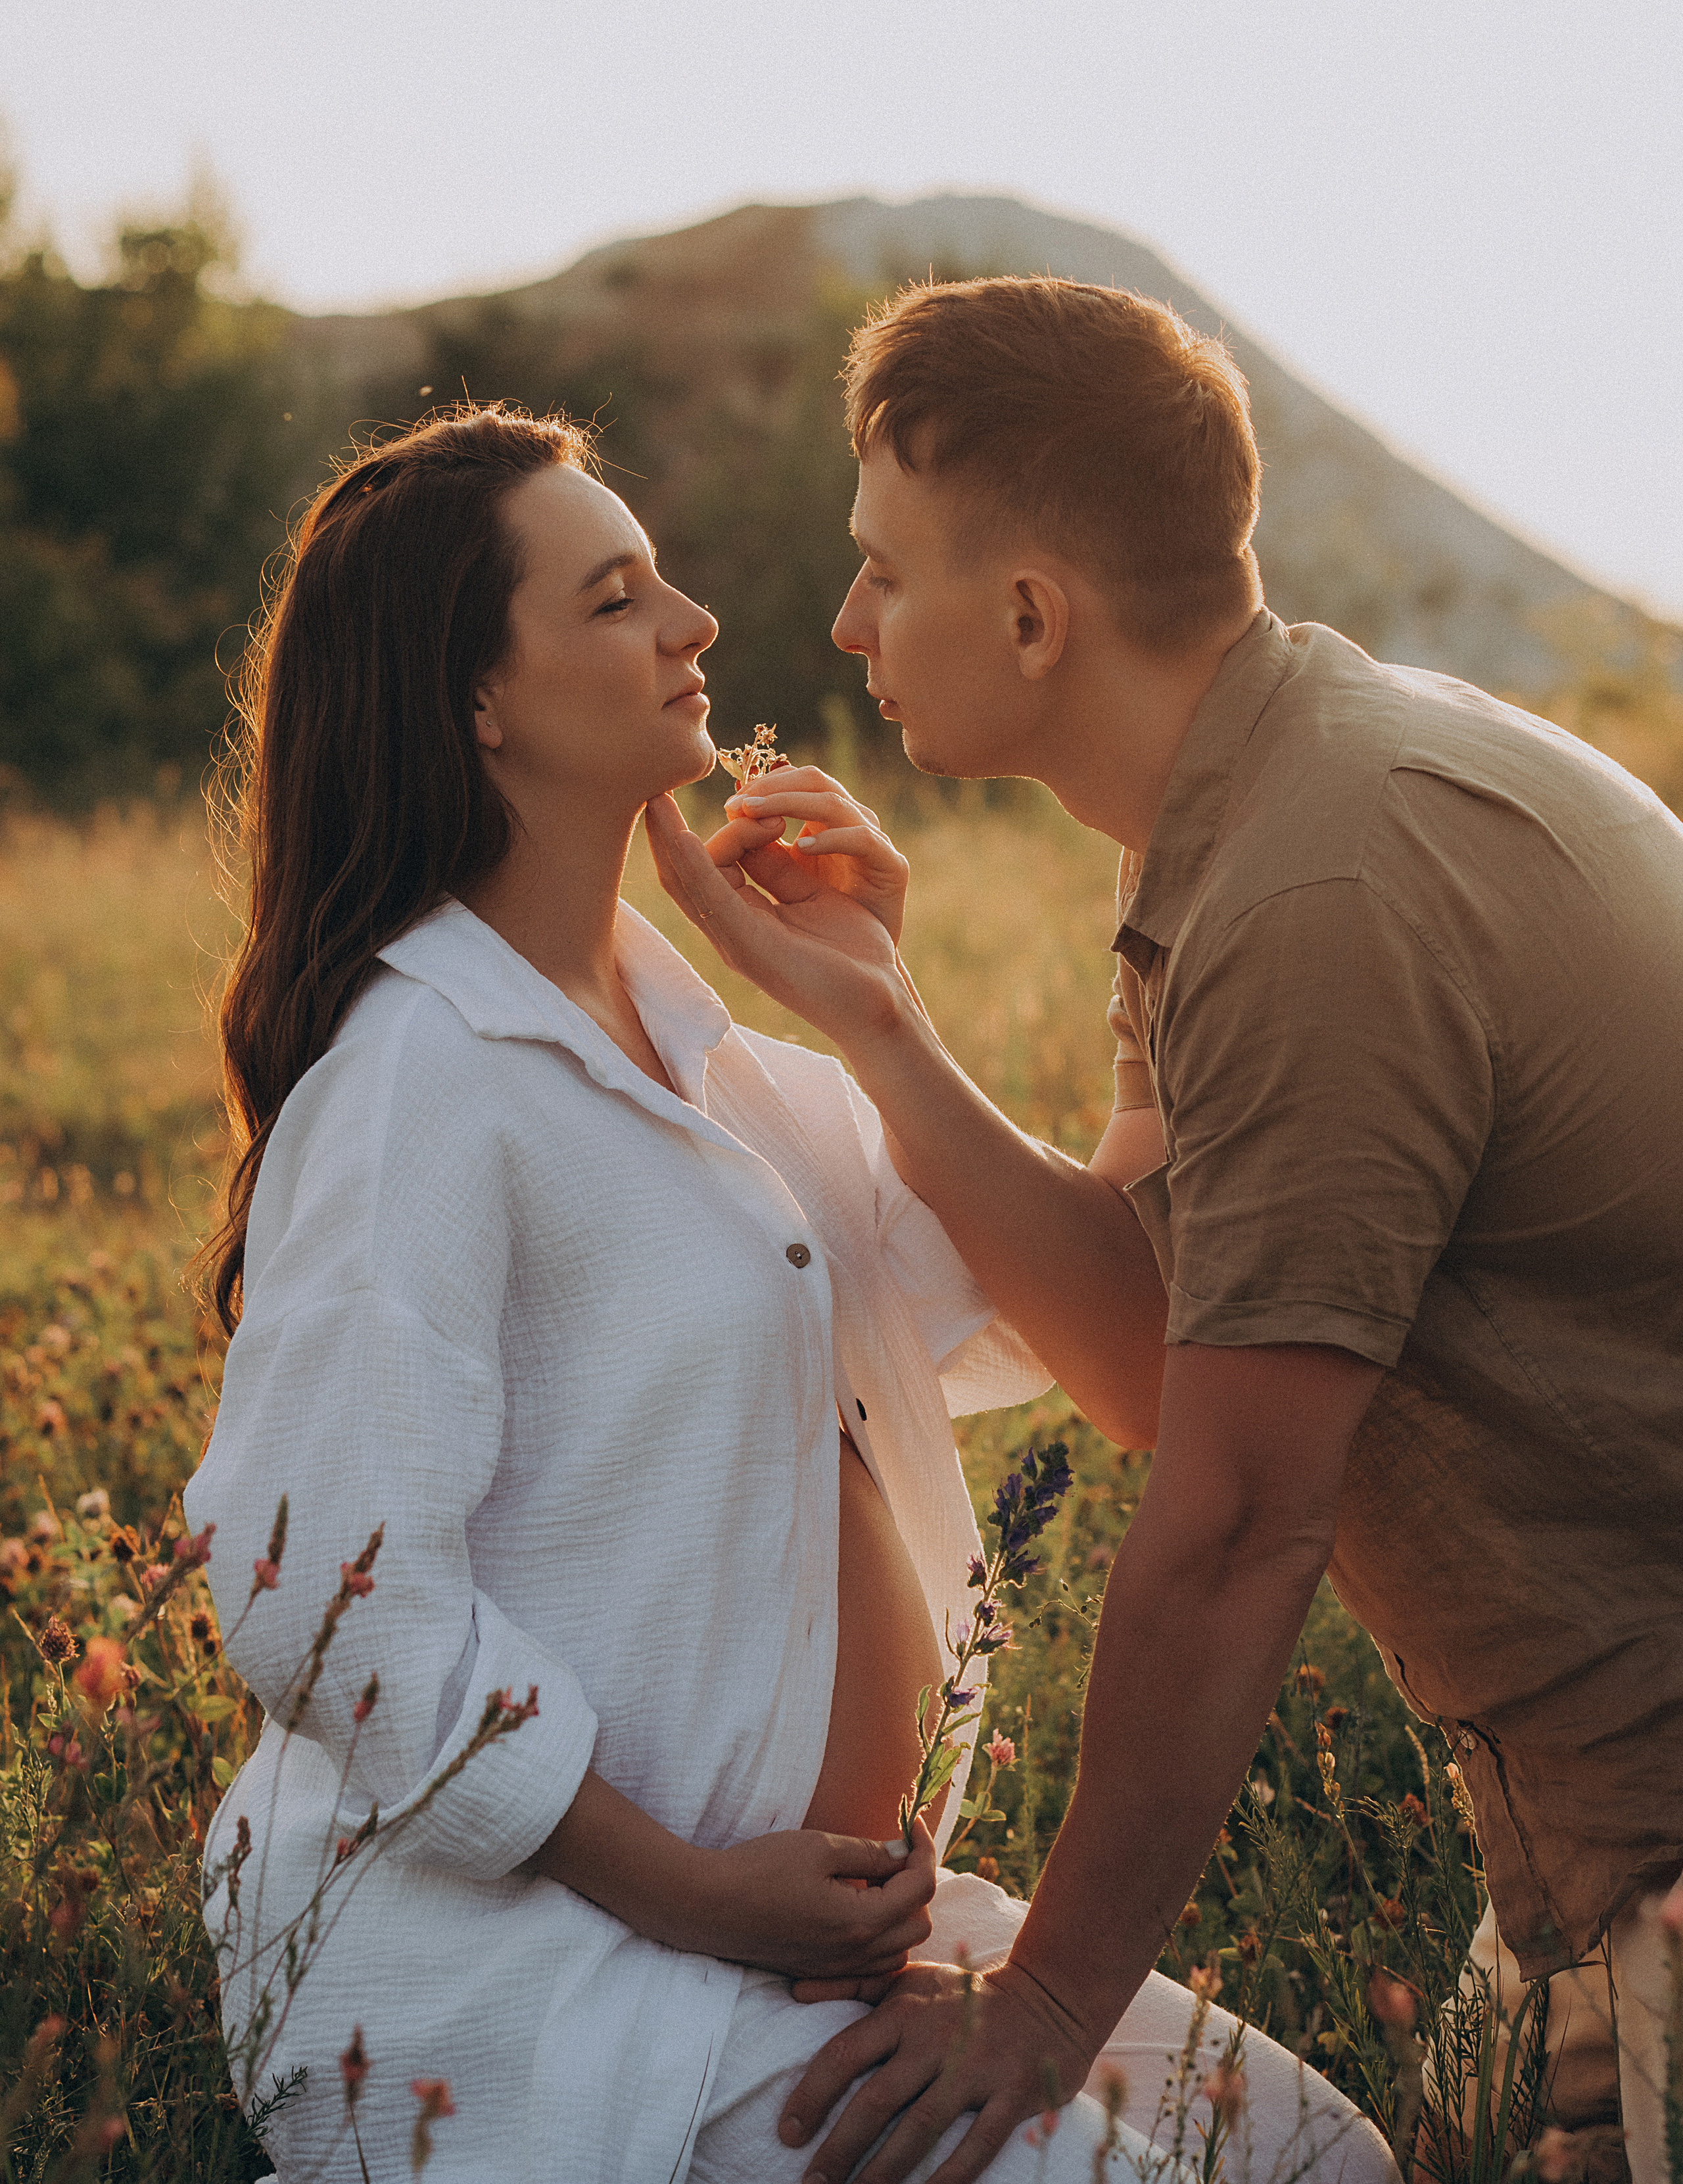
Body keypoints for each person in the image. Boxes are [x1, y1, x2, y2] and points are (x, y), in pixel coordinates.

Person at [185, 406, 1387, 2184]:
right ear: (477, 703)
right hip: (556, 1974)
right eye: (614, 598)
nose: (695, 625)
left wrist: (880, 1010)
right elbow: (317, 1597)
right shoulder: (418, 1068)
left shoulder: (722, 1067)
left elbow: (1077, 1336)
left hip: (800, 1948)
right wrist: (683, 1885)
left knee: (1319, 2159)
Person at [646, 273, 1683, 2184]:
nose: (846, 621)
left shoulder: (1319, 889)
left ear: (1035, 614)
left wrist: (1041, 2008)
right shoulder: (1233, 817)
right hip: (1587, 1824)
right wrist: (880, 1014)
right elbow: (1145, 1352)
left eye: (886, 570)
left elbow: (1228, 1519)